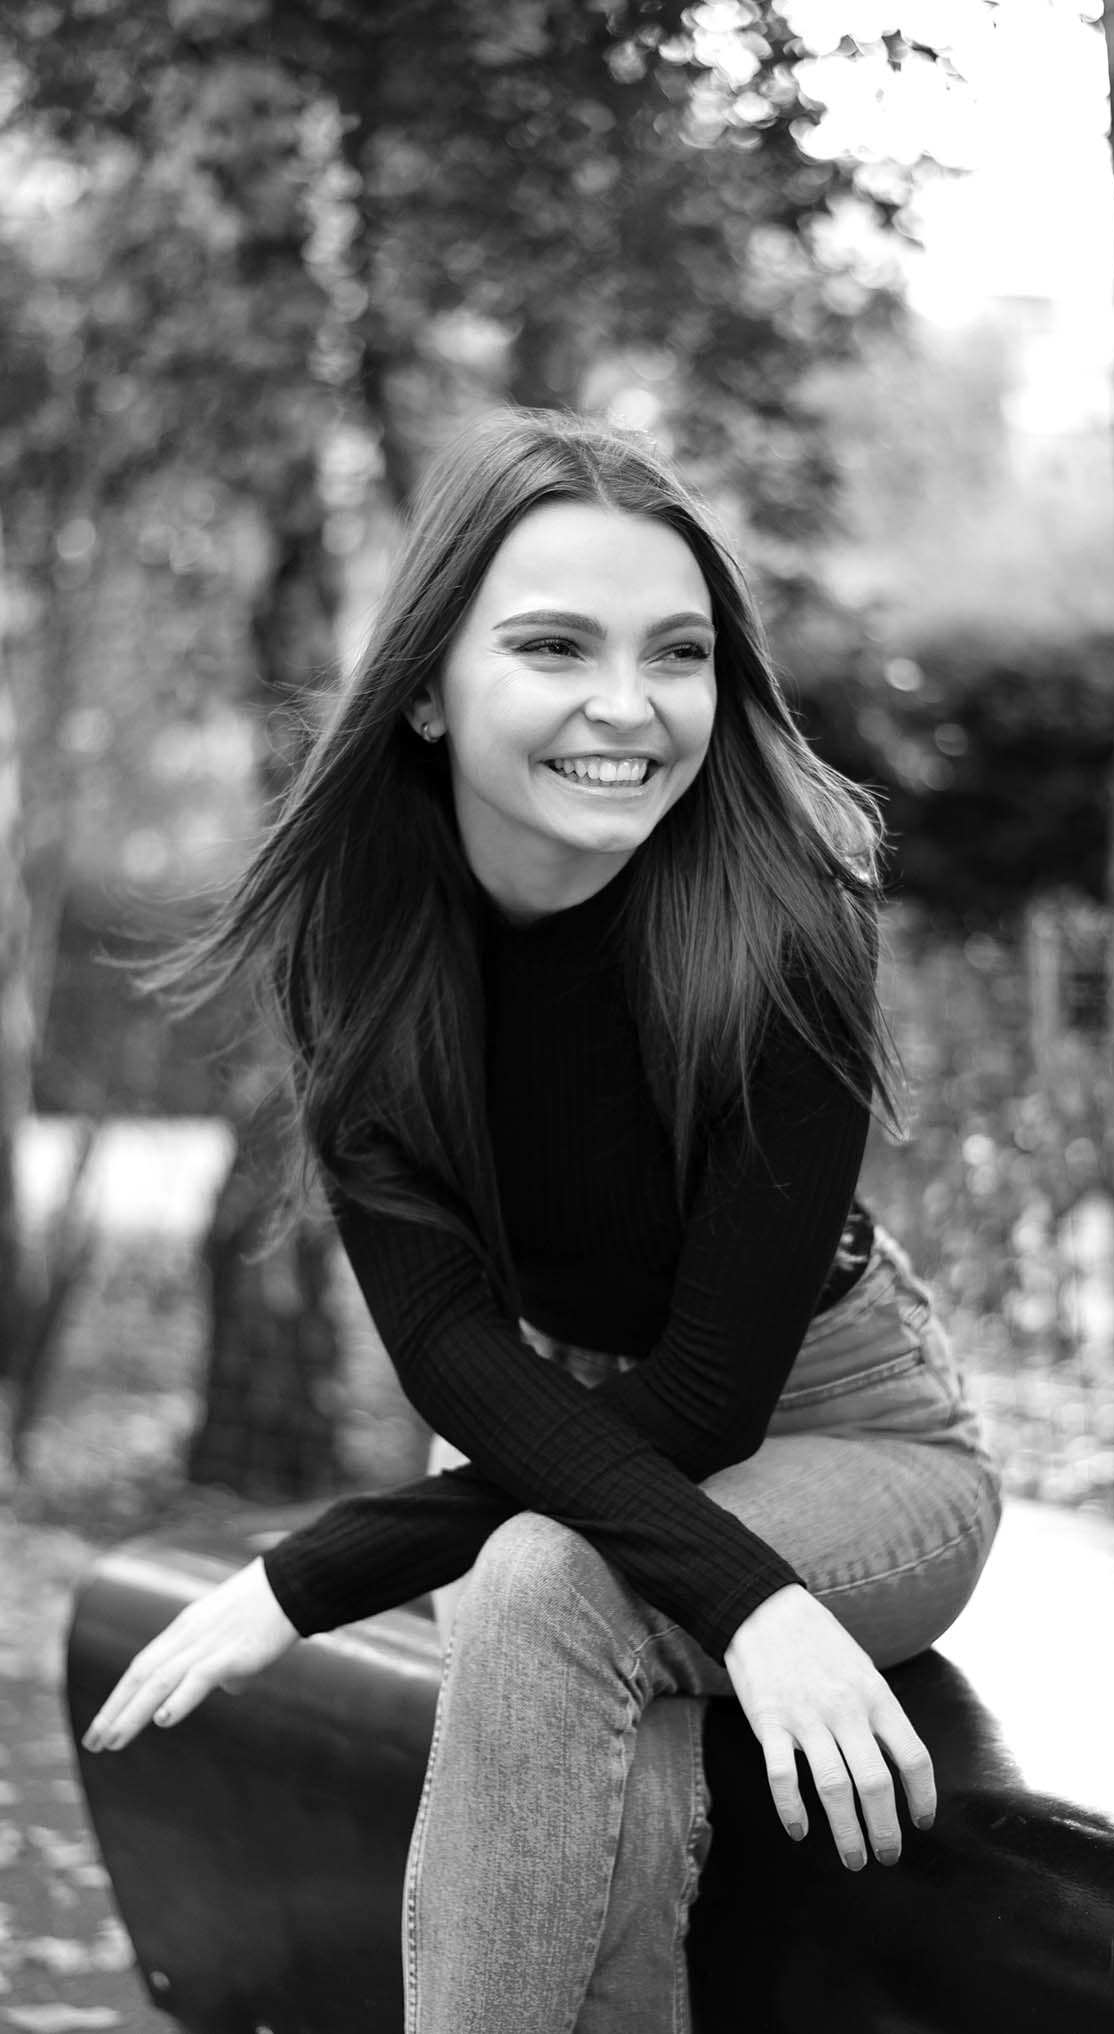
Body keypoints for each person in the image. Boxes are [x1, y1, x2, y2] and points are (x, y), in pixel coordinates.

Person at [82, 409, 1002, 2033]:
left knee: (543, 1582)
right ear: (428, 686)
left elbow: (713, 1401)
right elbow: (448, 1349)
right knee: (580, 1662)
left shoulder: (782, 930)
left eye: (679, 652)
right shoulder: (362, 954)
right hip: (545, 1437)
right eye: (554, 644)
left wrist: (324, 1567)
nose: (628, 707)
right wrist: (697, 1582)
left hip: (853, 1435)